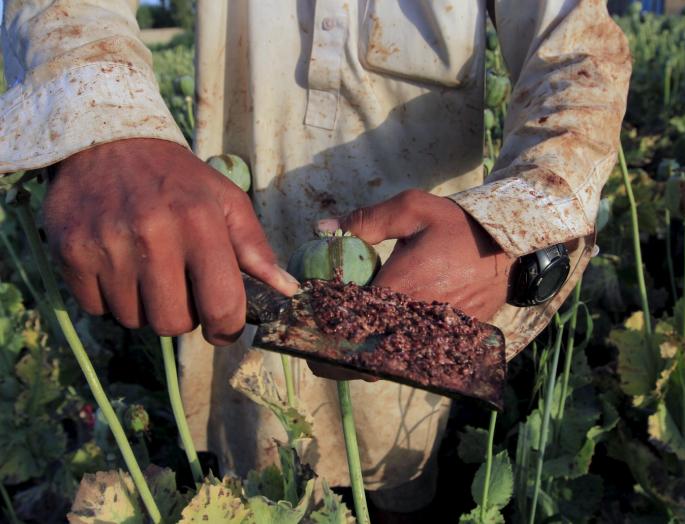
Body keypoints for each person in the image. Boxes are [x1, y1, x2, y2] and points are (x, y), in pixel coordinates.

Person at [0, 0, 631, 519]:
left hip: (421, 302)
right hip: (237, 300)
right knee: (256, 477)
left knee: (390, 483)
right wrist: (105, 121)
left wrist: (507, 228)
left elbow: (578, 50)